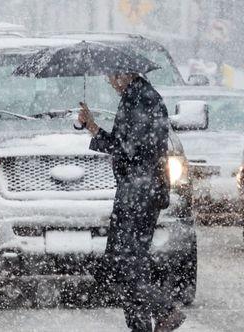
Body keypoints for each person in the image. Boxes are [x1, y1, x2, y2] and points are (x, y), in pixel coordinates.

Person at [78, 73, 186, 332]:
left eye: (112, 76)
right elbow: (128, 146)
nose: (110, 82)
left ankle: (165, 311)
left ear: (125, 74)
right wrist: (93, 127)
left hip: (140, 193)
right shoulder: (137, 97)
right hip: (137, 191)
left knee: (126, 262)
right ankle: (142, 324)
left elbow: (128, 148)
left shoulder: (141, 100)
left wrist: (94, 129)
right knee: (127, 262)